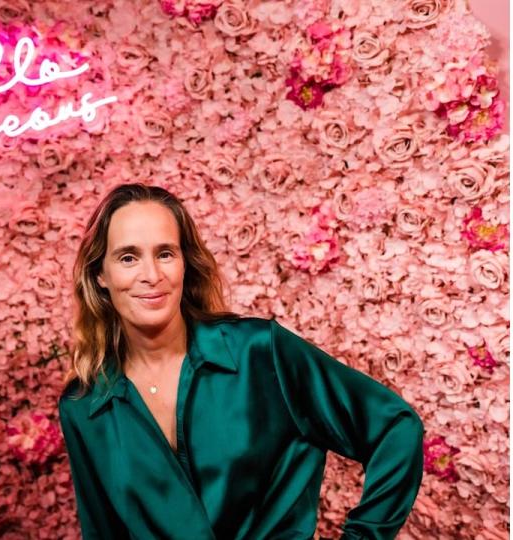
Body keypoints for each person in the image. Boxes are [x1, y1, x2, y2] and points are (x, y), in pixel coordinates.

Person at [58, 183, 424, 540]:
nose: (151, 275)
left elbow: (395, 427)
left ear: (186, 263)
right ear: (100, 275)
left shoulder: (260, 352)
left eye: (166, 253)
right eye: (128, 257)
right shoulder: (84, 405)